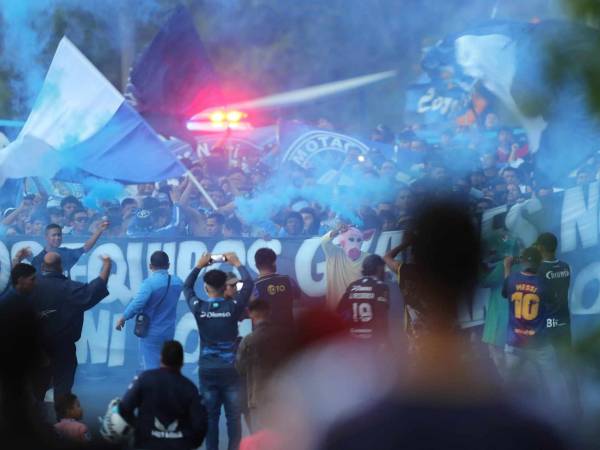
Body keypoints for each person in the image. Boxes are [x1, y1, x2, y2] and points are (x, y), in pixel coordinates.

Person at [319, 200, 568, 450]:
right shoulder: (534, 436)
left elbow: (388, 259)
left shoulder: (351, 434)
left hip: (414, 343)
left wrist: (407, 243)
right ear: (470, 280)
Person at [184, 253, 249, 450]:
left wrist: (198, 266)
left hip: (207, 370)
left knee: (211, 418)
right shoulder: (234, 306)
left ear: (205, 288)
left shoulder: (199, 308)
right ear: (226, 288)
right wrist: (236, 263)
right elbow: (249, 284)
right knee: (233, 417)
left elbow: (187, 287)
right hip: (230, 371)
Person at [31, 252, 112, 400]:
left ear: (43, 267)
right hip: (63, 348)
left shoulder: (32, 286)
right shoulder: (69, 288)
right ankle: (63, 420)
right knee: (62, 388)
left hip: (37, 348)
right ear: (60, 267)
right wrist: (107, 265)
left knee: (36, 388)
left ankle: (33, 420)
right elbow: (96, 288)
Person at [502, 247, 565, 402]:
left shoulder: (512, 279)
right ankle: (560, 418)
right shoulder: (543, 284)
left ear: (522, 262)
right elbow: (553, 304)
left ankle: (507, 418)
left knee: (510, 386)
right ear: (539, 264)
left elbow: (505, 292)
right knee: (554, 384)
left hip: (514, 342)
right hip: (539, 343)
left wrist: (507, 267)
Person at [119, 340, 207, 450]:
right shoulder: (190, 388)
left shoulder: (144, 379)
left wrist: (138, 429)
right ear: (182, 362)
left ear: (161, 358)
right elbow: (200, 426)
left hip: (146, 444)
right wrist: (189, 444)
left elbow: (124, 408)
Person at [116, 251, 183, 370]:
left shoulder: (149, 284)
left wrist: (124, 317)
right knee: (166, 364)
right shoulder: (178, 282)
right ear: (168, 265)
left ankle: (155, 388)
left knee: (151, 367)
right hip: (169, 331)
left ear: (150, 266)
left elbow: (138, 303)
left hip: (151, 332)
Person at [236, 299, 290, 433]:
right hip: (282, 395)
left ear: (251, 315)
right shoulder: (284, 335)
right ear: (269, 312)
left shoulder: (248, 341)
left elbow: (240, 368)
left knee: (260, 439)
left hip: (258, 396)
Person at [15, 221, 109, 275]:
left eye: (59, 235)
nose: (57, 238)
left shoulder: (66, 253)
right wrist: (17, 259)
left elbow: (85, 247)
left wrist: (99, 230)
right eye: (54, 235)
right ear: (46, 237)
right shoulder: (39, 259)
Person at [336, 254, 390, 346]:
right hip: (373, 340)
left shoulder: (353, 286)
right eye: (383, 268)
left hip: (353, 340)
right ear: (379, 268)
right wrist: (385, 341)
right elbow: (381, 316)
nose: (384, 272)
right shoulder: (381, 286)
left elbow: (339, 310)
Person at [254, 248, 301, 328]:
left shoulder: (254, 287)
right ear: (274, 263)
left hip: (264, 336)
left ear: (256, 266)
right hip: (287, 332)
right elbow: (297, 301)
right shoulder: (289, 280)